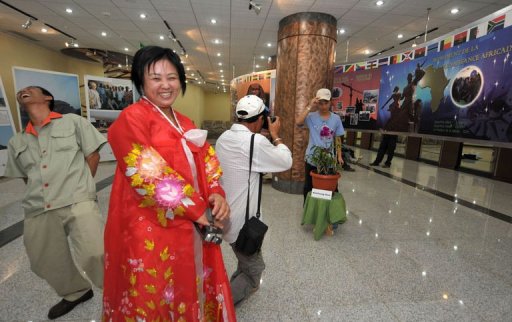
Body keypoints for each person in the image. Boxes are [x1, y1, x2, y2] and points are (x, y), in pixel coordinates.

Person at [102, 46, 236, 321]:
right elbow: (147, 174)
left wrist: (216, 193)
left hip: (192, 221)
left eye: (172, 77)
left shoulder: (184, 121)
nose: (165, 85)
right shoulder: (132, 118)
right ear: (141, 81)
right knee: (156, 290)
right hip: (151, 226)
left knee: (191, 280)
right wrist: (198, 211)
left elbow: (207, 160)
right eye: (156, 78)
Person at [4, 86, 106, 320]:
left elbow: (93, 155)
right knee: (44, 259)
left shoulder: (72, 122)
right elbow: (24, 176)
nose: (23, 91)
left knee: (95, 251)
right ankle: (76, 292)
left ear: (47, 98)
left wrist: (83, 186)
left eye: (30, 89)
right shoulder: (17, 141)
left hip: (76, 198)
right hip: (38, 206)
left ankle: (116, 291)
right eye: (21, 91)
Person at [215, 95, 292, 306]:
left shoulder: (223, 138)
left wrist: (261, 138)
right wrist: (275, 136)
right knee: (254, 273)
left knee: (243, 262)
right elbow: (286, 160)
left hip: (225, 217)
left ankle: (229, 290)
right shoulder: (255, 142)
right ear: (259, 119)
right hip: (244, 225)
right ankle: (220, 307)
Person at [296, 88, 345, 202]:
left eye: (326, 103)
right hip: (312, 157)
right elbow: (298, 122)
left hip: (328, 159)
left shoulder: (336, 119)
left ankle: (328, 212)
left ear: (330, 102)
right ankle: (308, 210)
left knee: (331, 187)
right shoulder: (311, 117)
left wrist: (339, 156)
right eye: (320, 103)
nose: (323, 106)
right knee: (309, 187)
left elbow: (337, 138)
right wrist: (309, 106)